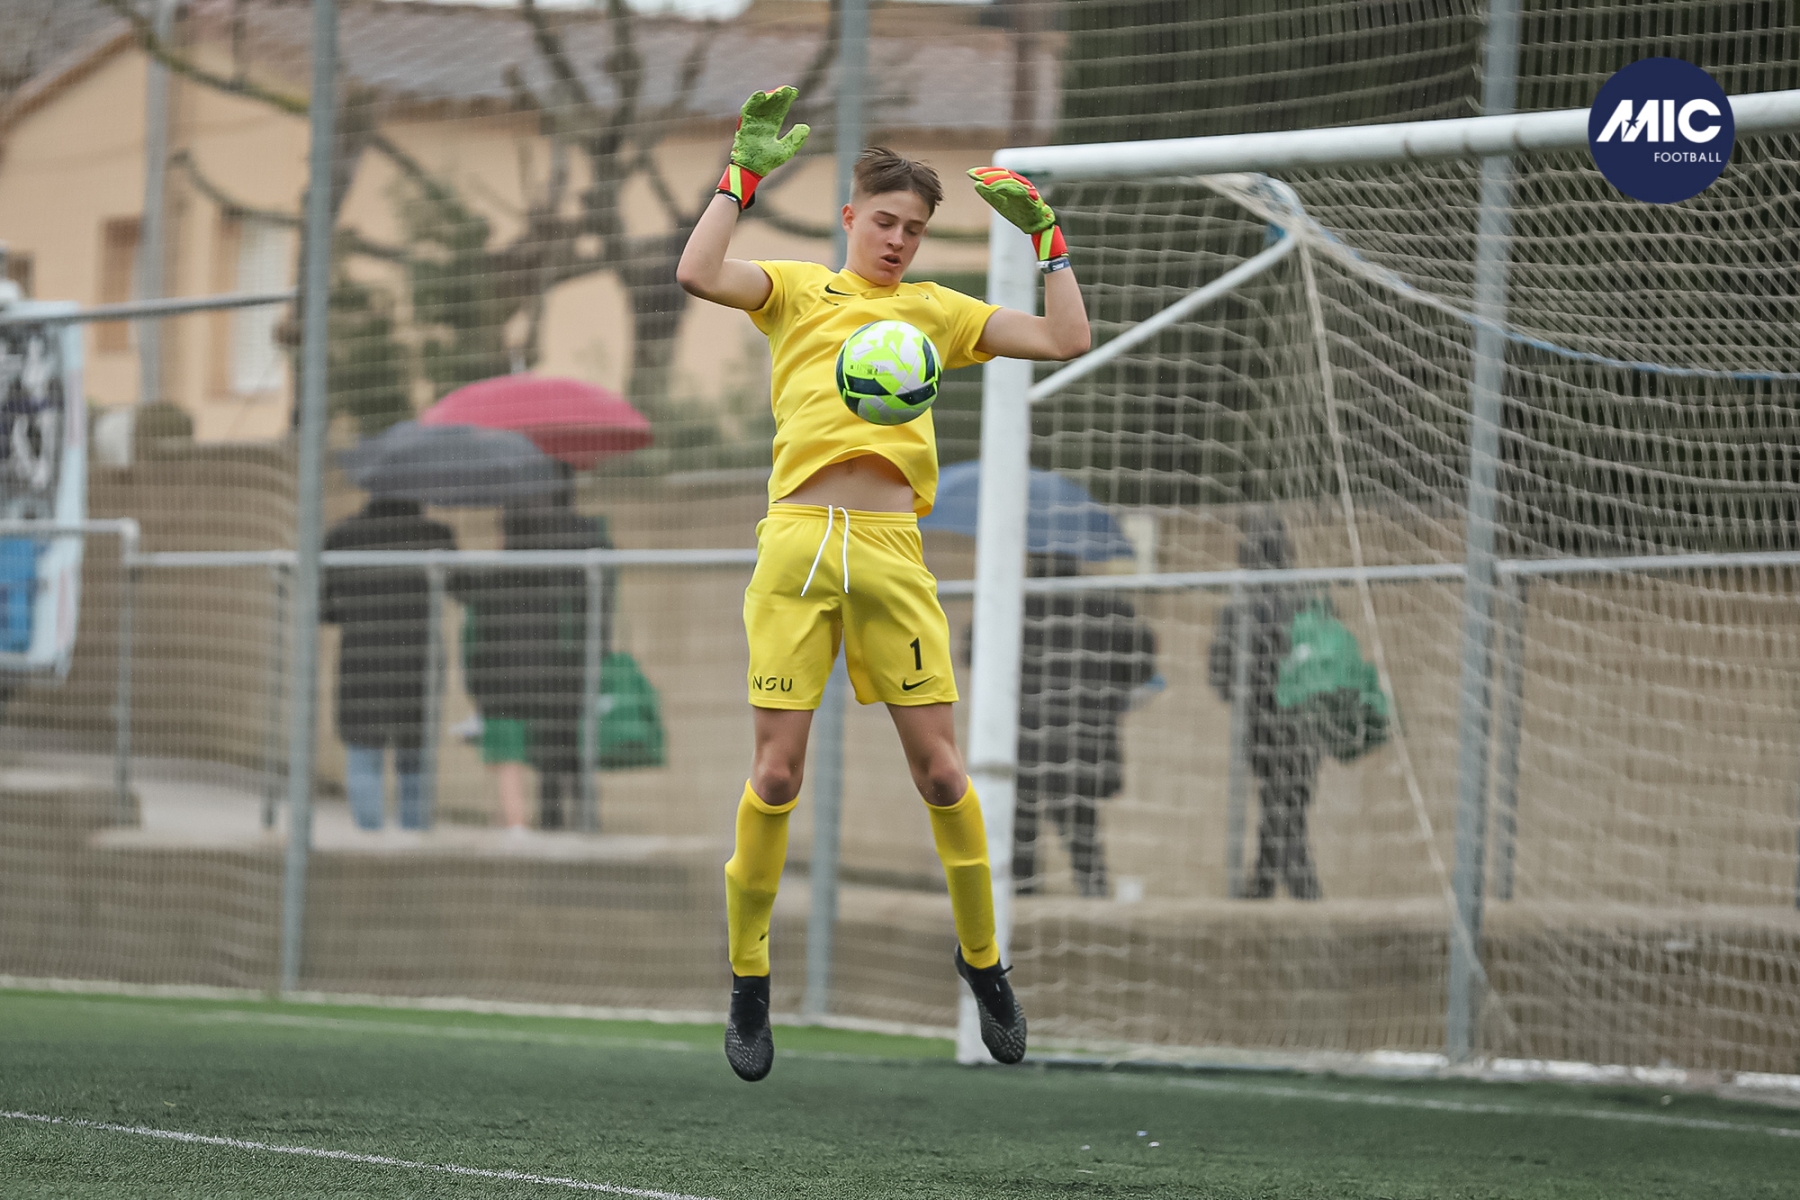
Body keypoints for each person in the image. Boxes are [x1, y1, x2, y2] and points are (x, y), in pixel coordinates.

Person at [676, 86, 1090, 1081]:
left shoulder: (938, 312)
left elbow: (1065, 340)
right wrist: (740, 178)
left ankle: (984, 962)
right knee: (776, 776)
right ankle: (748, 976)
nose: (899, 240)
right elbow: (696, 272)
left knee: (942, 773)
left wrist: (1050, 244)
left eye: (915, 229)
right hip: (798, 545)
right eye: (886, 222)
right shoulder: (795, 291)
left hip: (894, 552)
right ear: (850, 217)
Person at [453, 470, 611, 833]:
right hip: (559, 672)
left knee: (523, 754)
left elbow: (467, 600)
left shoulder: (498, 577)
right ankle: (583, 823)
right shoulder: (566, 563)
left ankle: (534, 824)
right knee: (566, 748)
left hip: (510, 682)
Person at [1009, 553, 1157, 898]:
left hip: (1026, 744)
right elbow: (1142, 665)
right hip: (1083, 743)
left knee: (1020, 838)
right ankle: (1094, 899)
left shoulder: (1013, 604)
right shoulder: (1107, 607)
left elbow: (973, 652)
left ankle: (1017, 906)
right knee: (1083, 838)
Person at [1207, 509, 1323, 900]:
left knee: (1280, 804)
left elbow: (1219, 673)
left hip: (1261, 722)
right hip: (1304, 722)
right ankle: (1276, 885)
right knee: (1287, 804)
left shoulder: (1240, 606)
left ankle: (1286, 886)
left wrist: (1244, 693)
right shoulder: (1307, 600)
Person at [322, 495, 456, 831]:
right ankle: (413, 838)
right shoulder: (435, 535)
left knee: (363, 751)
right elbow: (462, 587)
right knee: (415, 756)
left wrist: (352, 613)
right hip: (420, 659)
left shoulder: (343, 535)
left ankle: (370, 839)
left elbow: (322, 605)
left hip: (362, 657)